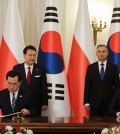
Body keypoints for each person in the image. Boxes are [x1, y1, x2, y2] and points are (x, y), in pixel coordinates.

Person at [84, 44, 120, 116]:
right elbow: (87, 85)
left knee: (109, 126)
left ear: (107, 53)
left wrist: (117, 103)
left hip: (110, 104)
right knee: (94, 125)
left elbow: (117, 87)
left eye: (103, 51)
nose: (101, 54)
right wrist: (86, 102)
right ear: (96, 53)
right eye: (99, 52)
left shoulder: (113, 68)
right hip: (94, 104)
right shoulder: (91, 67)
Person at [13, 45, 48, 115]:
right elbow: (14, 85)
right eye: (30, 55)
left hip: (36, 103)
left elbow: (44, 87)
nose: (32, 57)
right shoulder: (17, 68)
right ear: (24, 55)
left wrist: (45, 103)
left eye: (34, 55)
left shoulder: (40, 69)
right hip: (20, 102)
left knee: (35, 124)